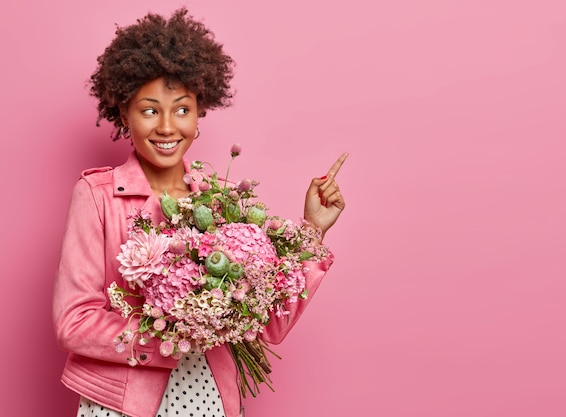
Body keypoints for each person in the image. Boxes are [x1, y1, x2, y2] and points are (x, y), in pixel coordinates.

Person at [52, 8, 347, 417]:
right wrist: (174, 332)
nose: (168, 127)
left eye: (182, 109)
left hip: (210, 400)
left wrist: (313, 232)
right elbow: (75, 322)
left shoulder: (223, 202)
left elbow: (270, 324)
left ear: (199, 114)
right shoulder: (97, 195)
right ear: (124, 115)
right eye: (150, 109)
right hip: (122, 405)